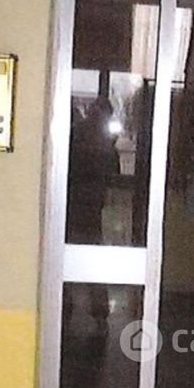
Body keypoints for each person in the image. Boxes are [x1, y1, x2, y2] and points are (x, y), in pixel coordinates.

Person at [65, 94, 120, 336]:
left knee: (66, 258)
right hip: (91, 206)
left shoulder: (76, 133)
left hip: (71, 203)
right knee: (92, 261)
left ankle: (64, 308)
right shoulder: (105, 142)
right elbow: (113, 173)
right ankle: (99, 316)